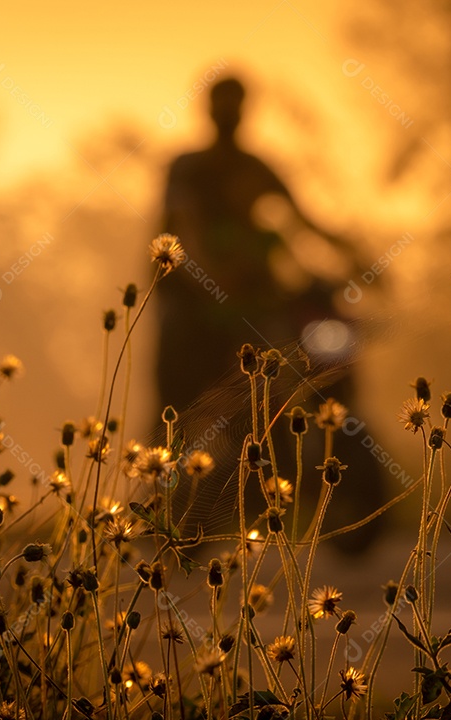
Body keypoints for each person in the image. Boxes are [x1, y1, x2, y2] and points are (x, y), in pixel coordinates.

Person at [155, 76, 386, 553]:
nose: (230, 117)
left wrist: (358, 263)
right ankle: (173, 498)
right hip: (198, 308)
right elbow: (185, 229)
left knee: (302, 355)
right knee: (181, 397)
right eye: (222, 107)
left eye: (236, 107)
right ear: (208, 110)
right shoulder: (188, 169)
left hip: (253, 308)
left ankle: (302, 475)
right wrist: (210, 276)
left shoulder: (257, 169)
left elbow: (304, 220)